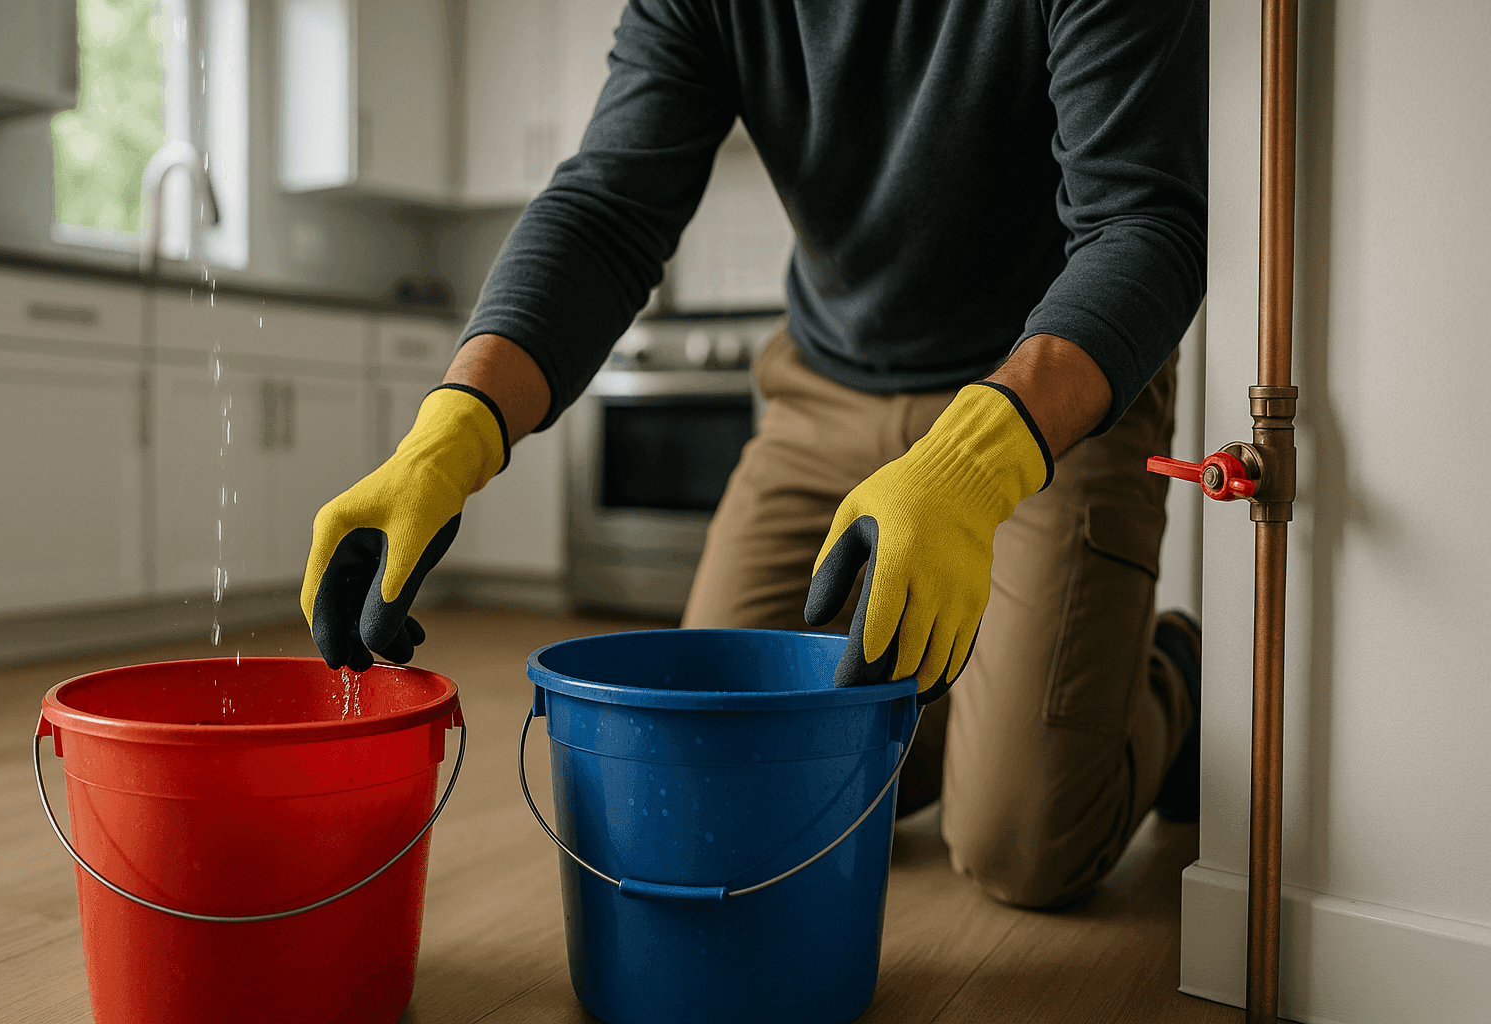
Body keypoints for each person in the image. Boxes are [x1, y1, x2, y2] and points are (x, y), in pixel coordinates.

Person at [303, 0, 1208, 909]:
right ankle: (984, 708)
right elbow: (608, 209)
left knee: (1021, 845)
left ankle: (1172, 674)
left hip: (1048, 390)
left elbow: (1145, 227)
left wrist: (971, 464)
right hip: (827, 391)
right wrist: (447, 437)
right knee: (729, 767)